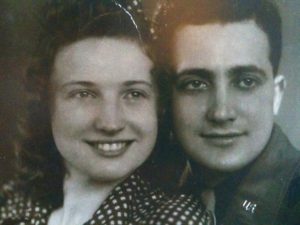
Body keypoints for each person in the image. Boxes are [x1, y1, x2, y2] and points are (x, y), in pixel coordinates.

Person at [0, 0, 212, 224]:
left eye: (134, 94)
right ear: (46, 103)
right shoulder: (17, 200)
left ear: (158, 107)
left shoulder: (175, 217)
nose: (110, 123)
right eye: (84, 94)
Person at [152, 0, 300, 224]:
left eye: (246, 82)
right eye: (195, 84)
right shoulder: (152, 188)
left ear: (276, 95)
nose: (221, 113)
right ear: (168, 98)